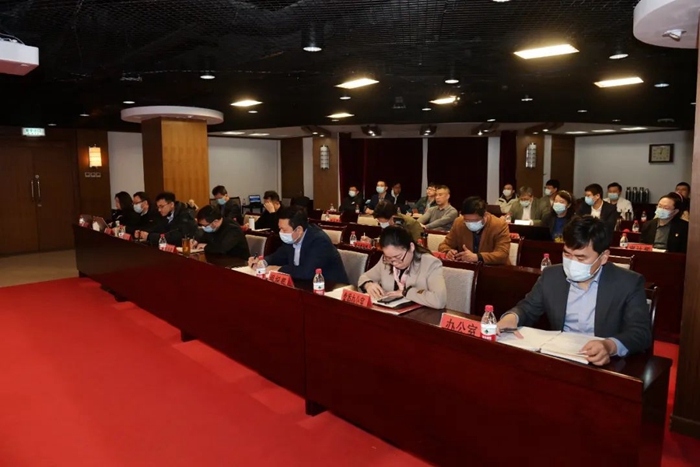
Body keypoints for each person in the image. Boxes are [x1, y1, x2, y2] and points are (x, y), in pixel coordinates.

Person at [497, 216, 652, 365]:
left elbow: (640, 333)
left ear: (604, 257)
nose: (572, 263)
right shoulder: (551, 276)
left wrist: (609, 346)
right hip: (559, 357)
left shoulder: (628, 283)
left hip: (606, 363)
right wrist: (512, 317)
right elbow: (527, 308)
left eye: (581, 258)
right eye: (567, 254)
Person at [249, 206, 349, 283]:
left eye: (284, 229)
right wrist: (263, 262)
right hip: (303, 285)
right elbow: (279, 256)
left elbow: (307, 272)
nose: (281, 233)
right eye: (280, 229)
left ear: (299, 230)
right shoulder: (292, 238)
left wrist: (279, 269)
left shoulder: (319, 241)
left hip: (330, 289)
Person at [358, 226, 446, 309]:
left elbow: (439, 300)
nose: (394, 263)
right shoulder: (386, 260)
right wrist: (368, 285)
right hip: (389, 313)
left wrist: (406, 292)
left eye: (398, 257)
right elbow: (364, 277)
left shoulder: (429, 263)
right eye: (389, 258)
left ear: (411, 247)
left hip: (420, 316)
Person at [438, 196, 511, 265]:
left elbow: (502, 254)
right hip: (468, 268)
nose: (470, 224)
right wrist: (448, 251)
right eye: (467, 220)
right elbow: (444, 245)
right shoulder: (459, 222)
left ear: (485, 215)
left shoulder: (499, 225)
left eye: (474, 220)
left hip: (494, 269)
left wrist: (477, 257)